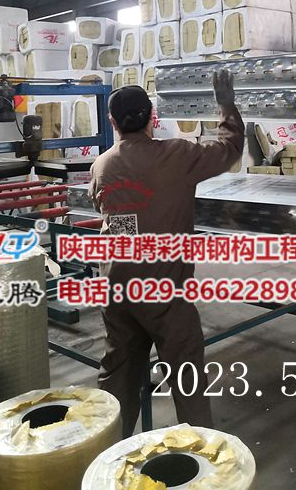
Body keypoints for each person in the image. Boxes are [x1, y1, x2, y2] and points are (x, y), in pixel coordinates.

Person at [89, 69, 244, 437]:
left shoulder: (102, 165)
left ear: (112, 121)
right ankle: (202, 453)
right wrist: (225, 104)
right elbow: (230, 149)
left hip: (117, 288)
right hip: (164, 292)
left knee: (118, 380)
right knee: (187, 378)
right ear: (152, 117)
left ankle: (107, 453)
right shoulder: (177, 155)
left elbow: (116, 216)